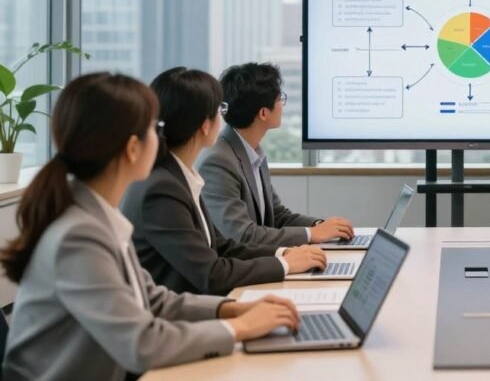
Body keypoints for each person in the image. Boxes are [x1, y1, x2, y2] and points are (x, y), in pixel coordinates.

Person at [0, 73, 301, 381]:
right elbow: (142, 343)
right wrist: (240, 328)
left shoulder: (97, 216)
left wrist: (230, 309)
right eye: (155, 128)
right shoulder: (78, 236)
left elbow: (152, 299)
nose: (163, 136)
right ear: (133, 148)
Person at [121, 68, 328, 296]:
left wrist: (283, 255)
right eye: (219, 110)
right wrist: (286, 265)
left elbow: (222, 247)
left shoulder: (178, 175)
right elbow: (211, 274)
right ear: (205, 125)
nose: (223, 117)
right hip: (183, 316)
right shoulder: (161, 189)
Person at [200, 62, 353, 246]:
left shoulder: (252, 151)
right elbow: (242, 235)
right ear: (263, 113)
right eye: (280, 99)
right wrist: (311, 234)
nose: (282, 104)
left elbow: (277, 215)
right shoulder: (219, 162)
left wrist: (319, 226)